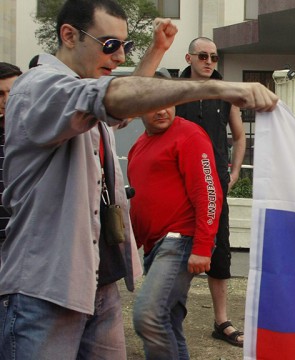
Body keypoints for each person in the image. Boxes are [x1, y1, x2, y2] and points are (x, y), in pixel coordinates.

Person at [0, 0, 277, 358]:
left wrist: (155, 52)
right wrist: (213, 88)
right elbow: (111, 99)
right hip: (46, 287)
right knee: (152, 317)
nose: (118, 57)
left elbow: (118, 106)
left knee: (153, 317)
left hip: (99, 280)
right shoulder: (41, 88)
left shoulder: (174, 130)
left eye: (125, 46)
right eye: (109, 45)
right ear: (68, 35)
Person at [128, 69, 223, 359]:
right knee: (167, 321)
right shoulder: (137, 147)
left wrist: (203, 247)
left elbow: (209, 193)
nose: (162, 109)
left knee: (148, 316)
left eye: (167, 100)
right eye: (153, 102)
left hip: (180, 241)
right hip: (154, 247)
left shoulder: (189, 134)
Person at [175, 37, 245, 347]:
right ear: (189, 57)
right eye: (203, 55)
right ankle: (170, 314)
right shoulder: (173, 92)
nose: (209, 61)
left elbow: (240, 137)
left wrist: (235, 171)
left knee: (220, 251)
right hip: (178, 185)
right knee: (175, 250)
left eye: (214, 57)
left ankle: (222, 321)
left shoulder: (225, 93)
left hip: (215, 186)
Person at [0, 62, 22, 267]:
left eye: (12, 92)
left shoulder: (37, 135)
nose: (7, 101)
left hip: (24, 242)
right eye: (0, 94)